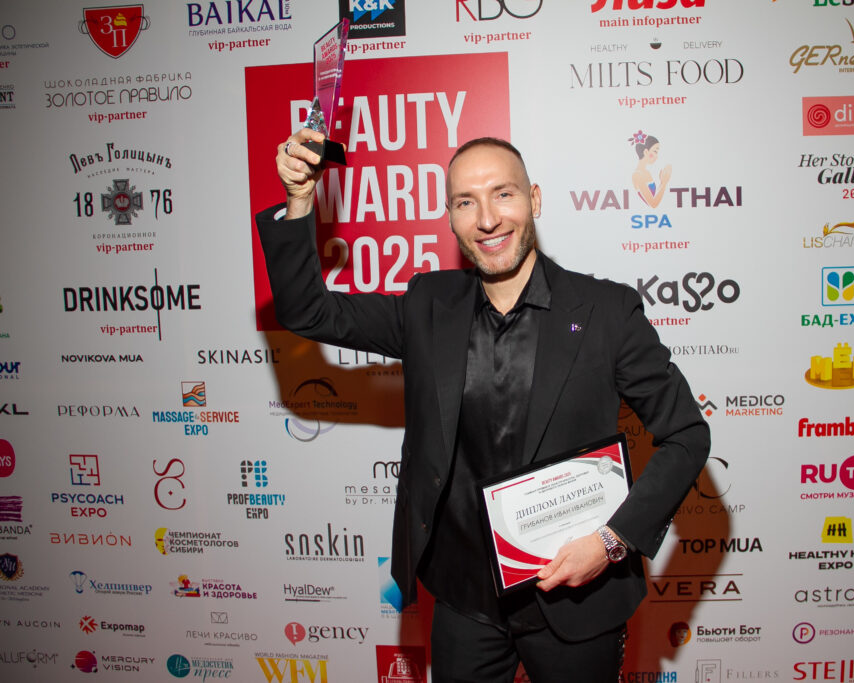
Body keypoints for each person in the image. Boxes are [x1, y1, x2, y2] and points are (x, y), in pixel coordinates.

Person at [255, 128, 710, 683]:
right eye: (466, 202)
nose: (488, 219)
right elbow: (308, 312)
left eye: (503, 194)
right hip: (465, 601)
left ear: (534, 199)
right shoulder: (427, 304)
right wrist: (301, 199)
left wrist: (611, 542)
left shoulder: (606, 312)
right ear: (450, 217)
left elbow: (687, 435)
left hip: (577, 595)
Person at [630, 131, 672, 208]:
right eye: (655, 151)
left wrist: (662, 182)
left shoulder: (646, 172)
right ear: (646, 152)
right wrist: (664, 183)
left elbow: (654, 197)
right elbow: (653, 204)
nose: (656, 156)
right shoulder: (637, 175)